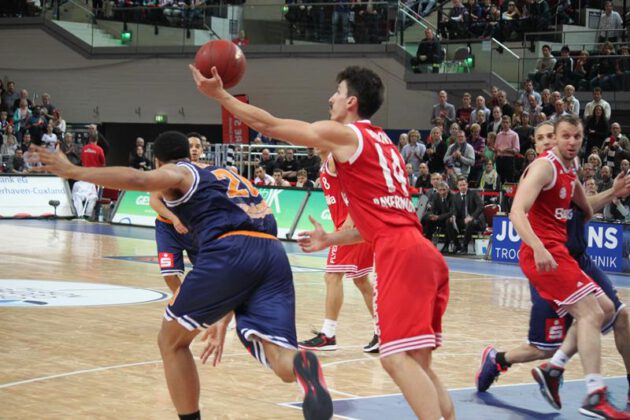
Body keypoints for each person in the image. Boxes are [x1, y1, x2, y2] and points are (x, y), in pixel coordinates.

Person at [190, 64, 454, 419]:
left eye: (337, 92)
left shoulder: (347, 135)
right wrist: (332, 237)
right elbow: (378, 220)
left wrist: (220, 96)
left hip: (400, 252)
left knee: (394, 358)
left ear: (352, 101)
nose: (330, 99)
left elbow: (270, 125)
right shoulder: (386, 144)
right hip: (422, 251)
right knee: (419, 363)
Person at [33, 131, 333, 420]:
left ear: (158, 162)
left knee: (171, 342)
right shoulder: (225, 174)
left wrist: (74, 171)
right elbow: (247, 264)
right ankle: (301, 364)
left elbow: (138, 179)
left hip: (230, 248)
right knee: (279, 355)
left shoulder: (179, 172)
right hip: (273, 254)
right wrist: (224, 315)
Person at [477, 120, 630, 414]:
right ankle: (590, 393)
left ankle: (555, 370)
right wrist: (537, 247)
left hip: (568, 258)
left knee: (608, 310)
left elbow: (585, 208)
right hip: (546, 256)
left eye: (575, 136)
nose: (561, 141)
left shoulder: (567, 171)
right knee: (550, 342)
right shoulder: (542, 168)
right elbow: (516, 212)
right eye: (552, 137)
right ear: (538, 143)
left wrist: (610, 193)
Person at [298, 151, 378, 353]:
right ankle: (384, 332)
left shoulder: (336, 160)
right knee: (361, 280)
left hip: (349, 227)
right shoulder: (326, 163)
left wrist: (351, 216)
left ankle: (328, 334)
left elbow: (360, 186)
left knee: (332, 276)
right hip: (354, 227)